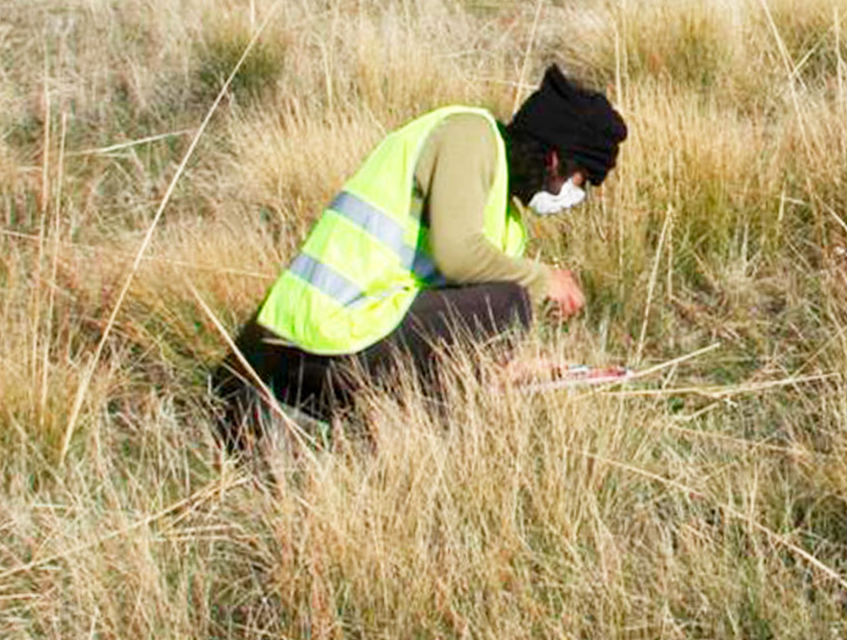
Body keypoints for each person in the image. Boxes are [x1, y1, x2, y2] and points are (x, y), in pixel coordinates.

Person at [211, 63, 627, 437]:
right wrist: (541, 278)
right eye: (581, 180)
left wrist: (512, 369)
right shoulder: (470, 137)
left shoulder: (505, 217)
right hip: (318, 336)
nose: (576, 196)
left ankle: (335, 422)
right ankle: (317, 412)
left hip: (345, 335)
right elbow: (457, 256)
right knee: (509, 302)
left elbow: (445, 310)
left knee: (500, 305)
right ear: (555, 160)